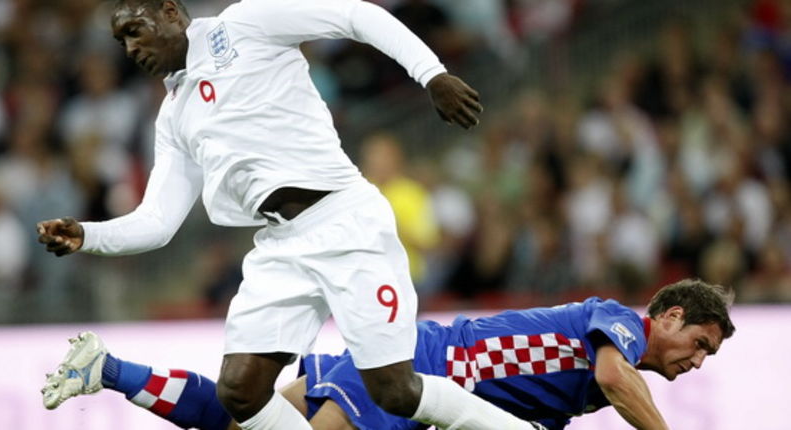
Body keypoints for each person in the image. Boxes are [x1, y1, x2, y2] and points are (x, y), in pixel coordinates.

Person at [35, 0, 496, 429]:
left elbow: (356, 15)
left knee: (396, 392)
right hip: (280, 246)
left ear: (171, 12)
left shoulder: (245, 24)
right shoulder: (174, 116)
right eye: (122, 42)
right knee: (240, 391)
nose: (131, 48)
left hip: (343, 219)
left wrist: (432, 75)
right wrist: (87, 235)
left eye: (135, 30)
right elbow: (157, 220)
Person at [41, 278, 735, 430]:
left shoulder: (568, 399)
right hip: (418, 369)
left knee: (237, 418)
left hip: (413, 368)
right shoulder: (616, 326)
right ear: (667, 316)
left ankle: (107, 369)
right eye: (699, 344)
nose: (696, 361)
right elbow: (618, 379)